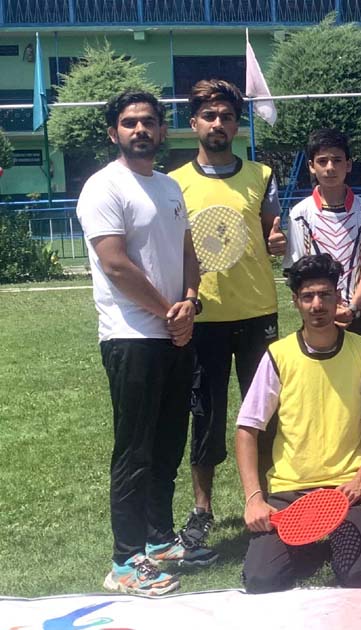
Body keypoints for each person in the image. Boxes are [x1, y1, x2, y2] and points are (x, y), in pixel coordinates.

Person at [79, 90, 202, 595]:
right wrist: (169, 312)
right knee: (135, 450)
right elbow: (116, 264)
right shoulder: (103, 187)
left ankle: (158, 539)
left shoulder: (170, 187)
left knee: (168, 444)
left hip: (175, 333)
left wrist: (190, 301)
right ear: (114, 132)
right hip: (131, 337)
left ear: (161, 130)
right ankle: (126, 561)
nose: (140, 130)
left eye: (149, 121)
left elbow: (187, 253)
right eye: (129, 123)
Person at [169, 79, 287, 554]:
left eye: (227, 117)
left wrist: (278, 242)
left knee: (267, 413)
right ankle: (202, 509)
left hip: (257, 311)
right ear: (194, 123)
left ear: (238, 125)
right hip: (204, 317)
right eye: (210, 116)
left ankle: (268, 497)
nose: (218, 124)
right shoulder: (175, 182)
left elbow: (273, 235)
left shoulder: (261, 174)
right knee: (206, 414)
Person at [235, 254, 361, 593]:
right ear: (296, 302)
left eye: (325, 295)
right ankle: (309, 542)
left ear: (338, 298)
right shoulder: (278, 355)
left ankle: (328, 538)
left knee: (359, 575)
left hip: (348, 488)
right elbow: (246, 431)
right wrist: (254, 498)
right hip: (288, 490)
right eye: (307, 297)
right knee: (261, 580)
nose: (317, 305)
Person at [284, 129, 361, 341]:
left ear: (348, 164)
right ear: (311, 166)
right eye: (322, 161)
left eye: (337, 160)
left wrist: (352, 308)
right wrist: (323, 305)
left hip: (360, 311)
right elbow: (296, 268)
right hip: (317, 312)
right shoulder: (300, 214)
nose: (330, 167)